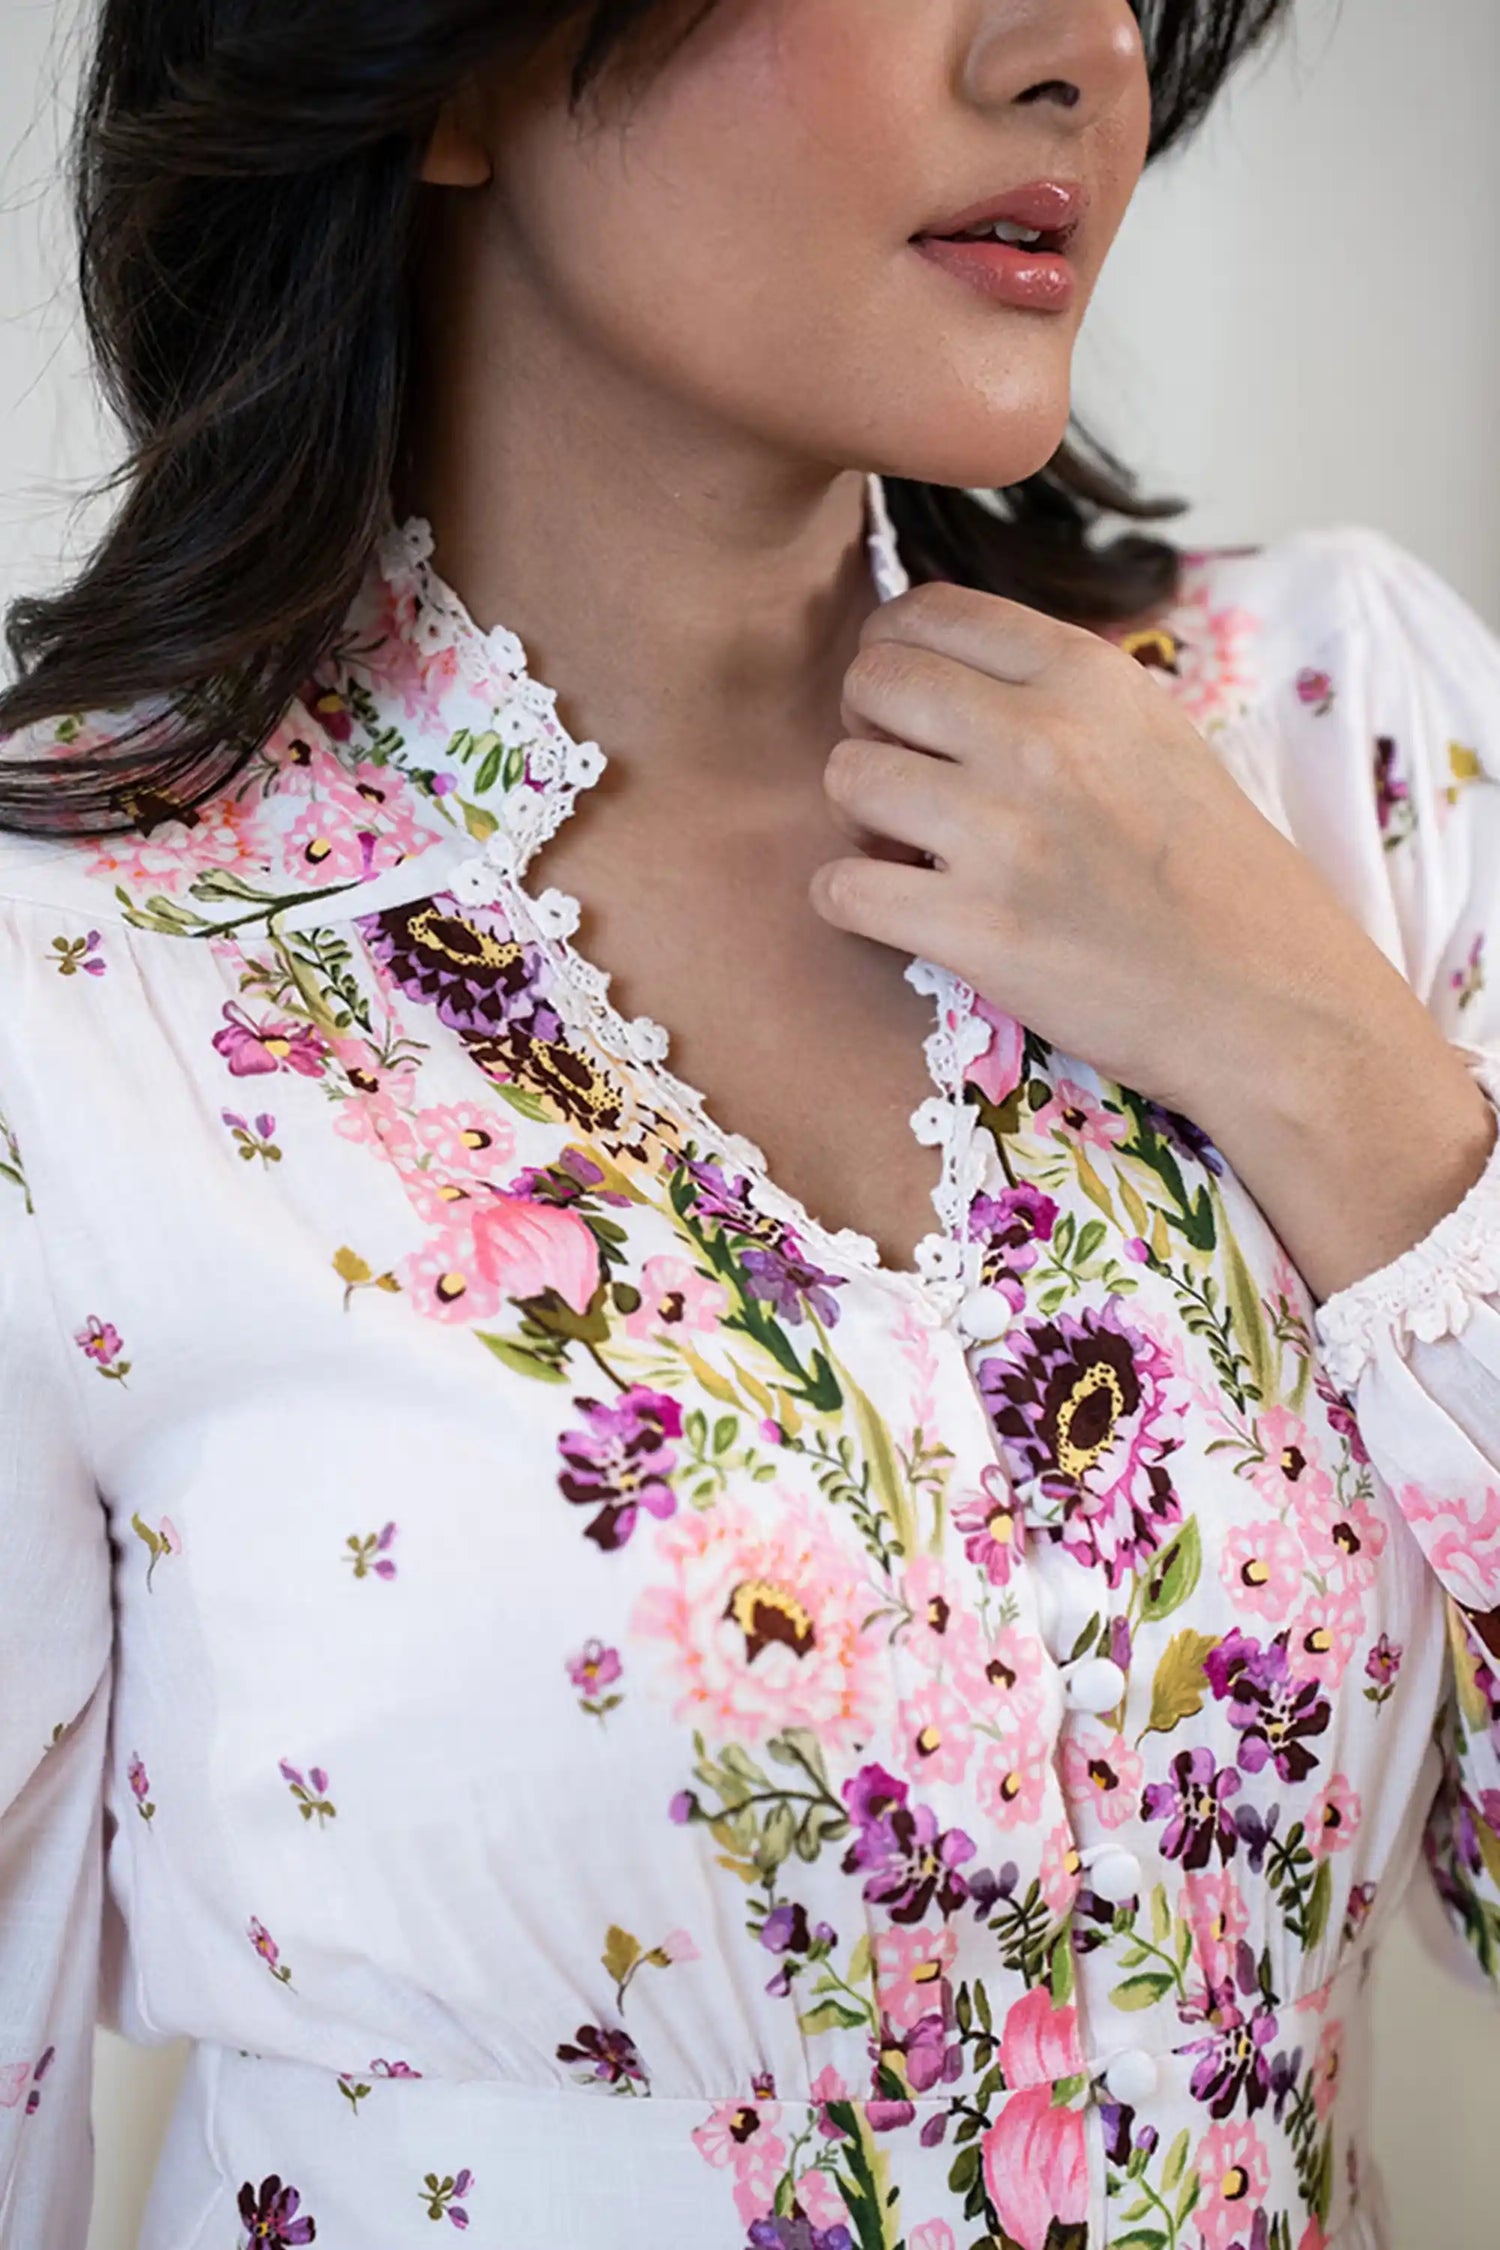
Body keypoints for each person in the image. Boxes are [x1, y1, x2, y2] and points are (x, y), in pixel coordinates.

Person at [0, 2, 1497, 2245]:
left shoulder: (1332, 744)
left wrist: (1328, 1070)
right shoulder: (75, 984)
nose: (1077, 48)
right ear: (453, 65)